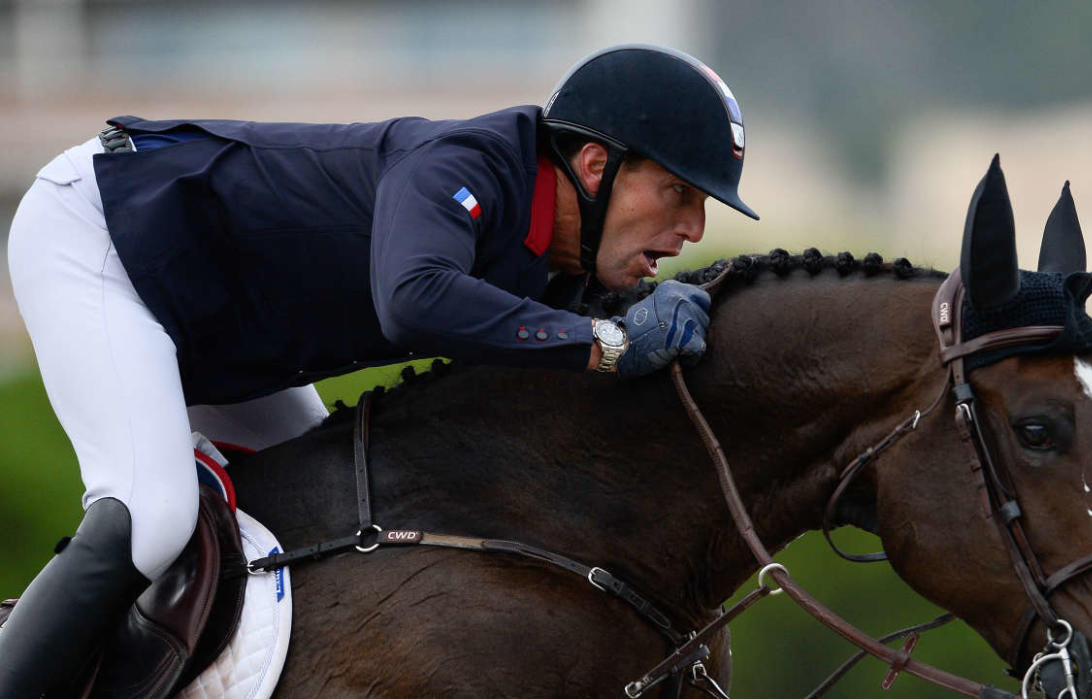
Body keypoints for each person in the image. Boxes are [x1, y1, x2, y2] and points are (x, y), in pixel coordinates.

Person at [0, 44, 757, 694]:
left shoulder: (563, 260)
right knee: (152, 515)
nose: (691, 227)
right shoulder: (466, 165)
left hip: (218, 326)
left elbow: (568, 343)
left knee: (317, 504)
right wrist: (613, 344)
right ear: (595, 165)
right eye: (678, 193)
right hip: (103, 236)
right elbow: (415, 298)